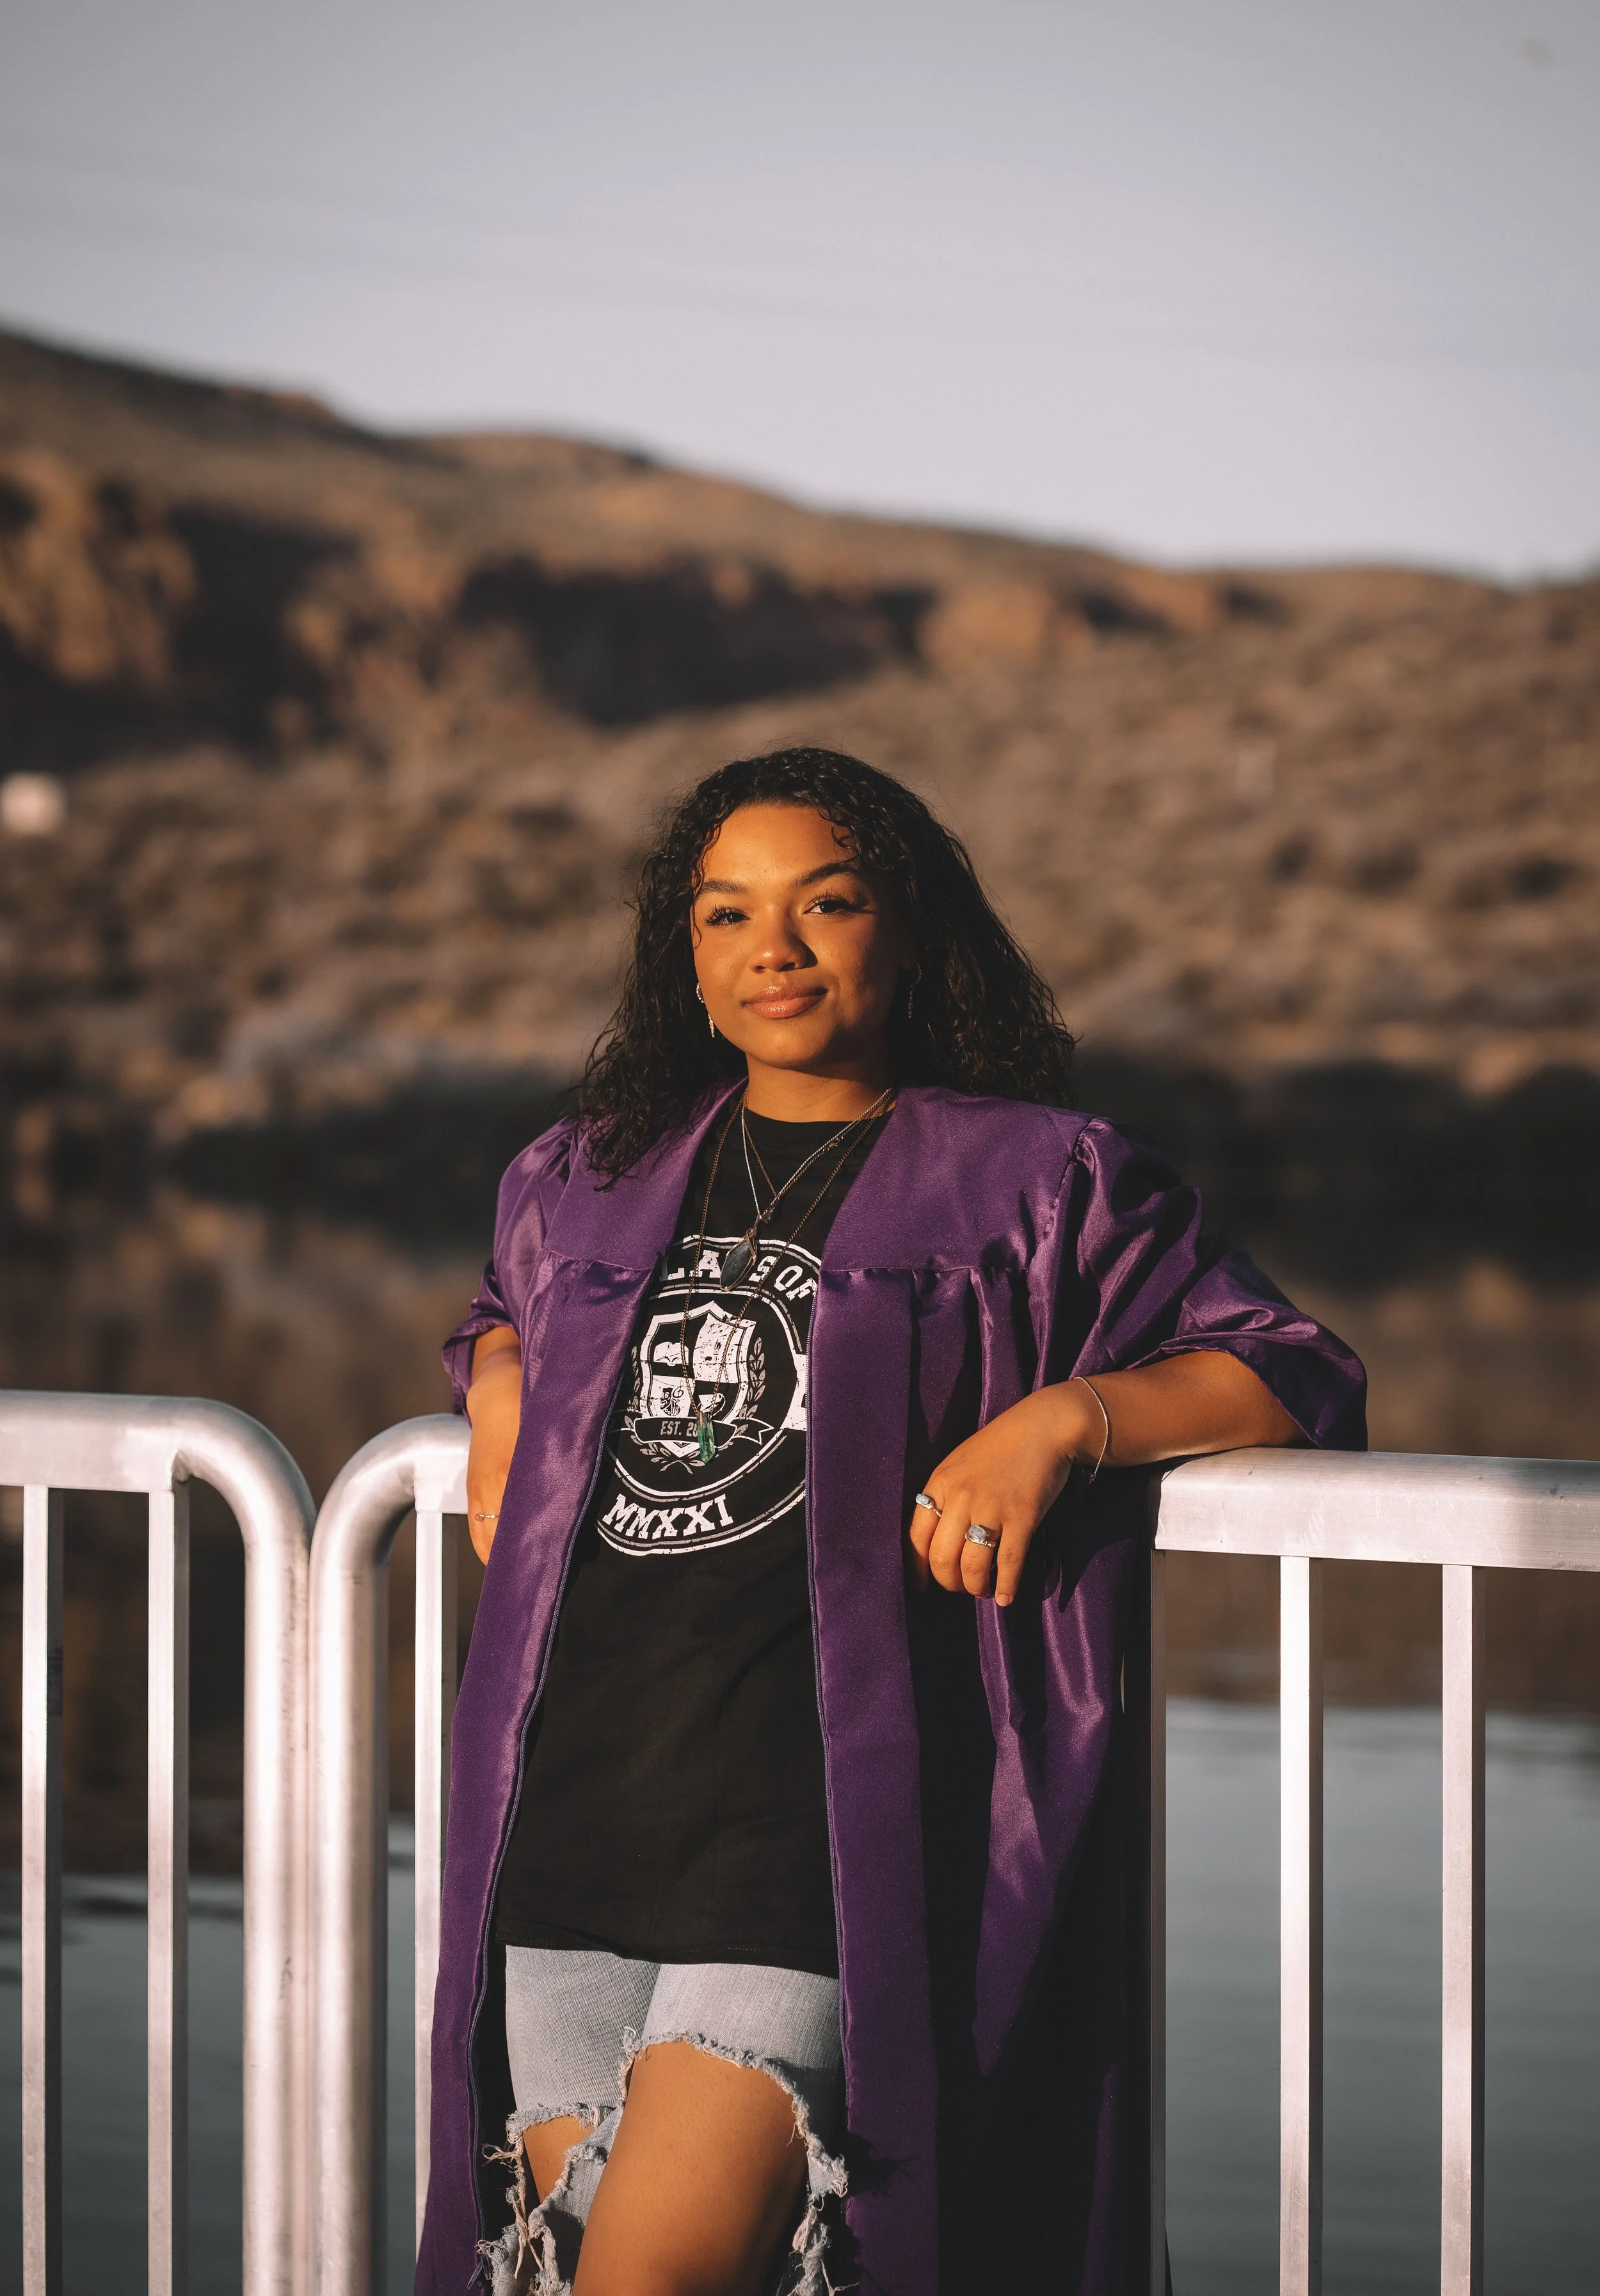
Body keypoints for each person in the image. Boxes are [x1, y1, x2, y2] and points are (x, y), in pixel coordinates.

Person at [418, 747, 1364, 2296]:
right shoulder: (585, 1175)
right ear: (685, 959)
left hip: (808, 1839)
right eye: (725, 915)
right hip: (578, 1809)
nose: (771, 948)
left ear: (908, 931)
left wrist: (1065, 1422)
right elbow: (496, 1309)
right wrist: (506, 1379)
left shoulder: (1035, 1181)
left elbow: (1281, 1367)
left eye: (826, 902)